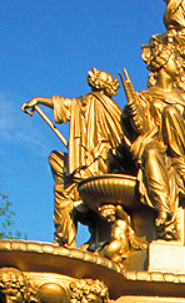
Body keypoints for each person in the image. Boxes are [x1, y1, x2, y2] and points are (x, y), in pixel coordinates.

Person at [22, 68, 126, 248]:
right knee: (56, 161)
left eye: (96, 78)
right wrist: (38, 101)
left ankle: (64, 240)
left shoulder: (99, 105)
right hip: (87, 160)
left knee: (66, 190)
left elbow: (66, 105)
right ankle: (64, 240)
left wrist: (38, 100)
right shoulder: (87, 103)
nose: (93, 79)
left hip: (99, 162)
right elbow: (64, 104)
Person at [124, 32, 185, 240]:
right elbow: (141, 129)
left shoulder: (184, 98)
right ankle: (163, 209)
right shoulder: (145, 96)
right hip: (157, 144)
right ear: (162, 63)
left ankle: (180, 165)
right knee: (150, 152)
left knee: (170, 113)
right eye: (173, 60)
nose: (178, 64)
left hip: (184, 150)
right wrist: (134, 112)